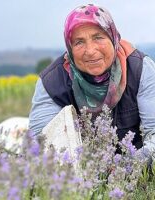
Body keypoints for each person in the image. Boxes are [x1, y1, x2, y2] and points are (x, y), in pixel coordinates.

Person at [29, 4, 155, 159]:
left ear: (113, 38)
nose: (90, 51)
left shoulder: (139, 68)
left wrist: (126, 167)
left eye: (98, 37)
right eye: (79, 42)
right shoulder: (51, 82)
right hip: (78, 174)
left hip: (139, 171)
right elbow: (42, 145)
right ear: (70, 47)